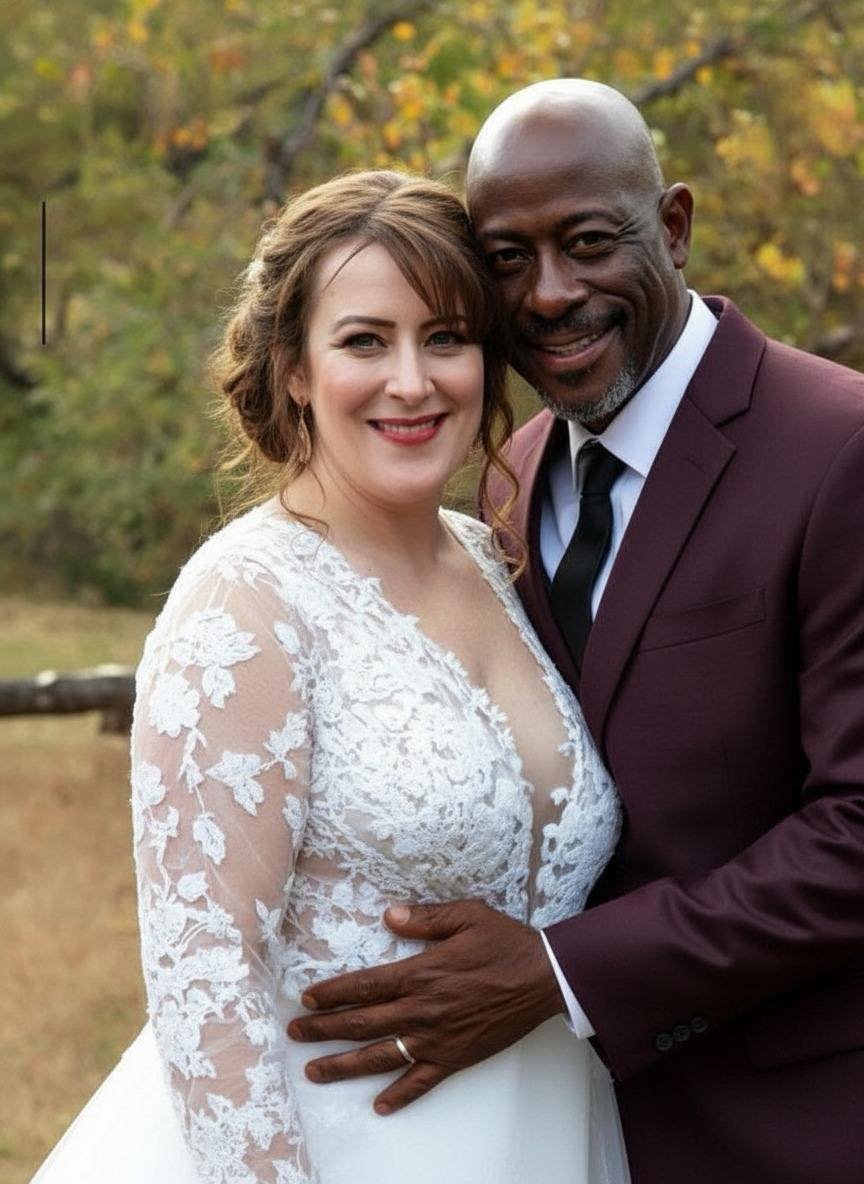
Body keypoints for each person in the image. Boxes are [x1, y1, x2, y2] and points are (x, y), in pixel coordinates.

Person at [285, 83, 864, 1184]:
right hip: (539, 1124)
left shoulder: (840, 448)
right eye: (507, 258)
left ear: (674, 225)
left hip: (795, 1126)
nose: (550, 294)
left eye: (590, 242)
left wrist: (560, 971)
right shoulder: (510, 473)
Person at [30, 169, 631, 1184]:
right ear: (294, 369)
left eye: (446, 337)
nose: (413, 381)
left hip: (556, 1135)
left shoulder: (498, 558)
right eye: (365, 341)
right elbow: (204, 978)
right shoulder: (244, 603)